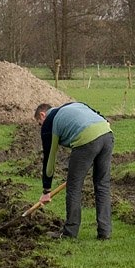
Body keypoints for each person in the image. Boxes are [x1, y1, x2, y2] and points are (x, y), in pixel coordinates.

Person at [35, 102, 114, 240]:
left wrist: (46, 191)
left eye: (39, 123)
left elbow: (49, 159)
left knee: (74, 187)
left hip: (86, 139)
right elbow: (98, 113)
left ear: (42, 115)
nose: (41, 126)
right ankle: (105, 232)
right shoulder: (73, 104)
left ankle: (70, 232)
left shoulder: (48, 123)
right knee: (102, 185)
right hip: (107, 134)